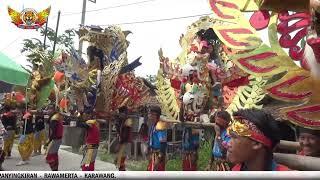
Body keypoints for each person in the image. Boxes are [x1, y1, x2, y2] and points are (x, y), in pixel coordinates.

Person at [147, 106, 167, 171]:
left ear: (155, 115)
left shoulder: (160, 126)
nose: (149, 115)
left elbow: (163, 143)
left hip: (158, 155)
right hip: (153, 154)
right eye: (149, 113)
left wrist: (159, 157)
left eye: (150, 114)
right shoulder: (153, 125)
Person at [114, 106, 133, 171]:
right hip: (123, 142)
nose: (120, 115)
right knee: (119, 161)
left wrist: (120, 143)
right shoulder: (122, 120)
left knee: (119, 161)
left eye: (121, 113)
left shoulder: (128, 120)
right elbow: (119, 131)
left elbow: (125, 134)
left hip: (125, 142)